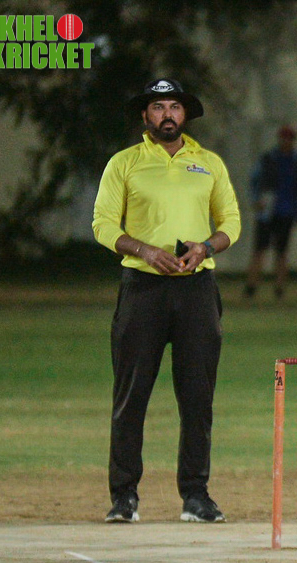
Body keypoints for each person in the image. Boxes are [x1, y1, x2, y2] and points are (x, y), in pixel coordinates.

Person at [92, 78, 241, 524]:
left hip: (197, 289)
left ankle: (196, 495)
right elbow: (102, 224)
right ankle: (124, 497)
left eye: (174, 106)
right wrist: (145, 250)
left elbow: (231, 221)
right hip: (143, 289)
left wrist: (205, 247)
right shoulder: (125, 163)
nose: (167, 115)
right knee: (131, 395)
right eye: (158, 107)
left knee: (197, 397)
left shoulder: (208, 163)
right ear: (146, 116)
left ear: (185, 114)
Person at [243, 124, 297, 299]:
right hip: (266, 211)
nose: (286, 141)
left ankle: (279, 288)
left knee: (282, 251)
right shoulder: (268, 159)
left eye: (289, 138)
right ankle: (251, 286)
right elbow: (253, 180)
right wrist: (255, 200)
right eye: (284, 138)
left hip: (287, 211)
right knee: (259, 250)